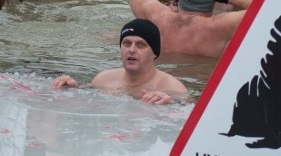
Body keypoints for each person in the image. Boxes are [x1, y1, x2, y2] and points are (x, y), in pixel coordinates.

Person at [52, 19, 188, 105]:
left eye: (141, 45)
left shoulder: (172, 88)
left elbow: (191, 116)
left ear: (154, 53)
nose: (132, 50)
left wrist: (172, 104)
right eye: (127, 43)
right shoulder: (103, 80)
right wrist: (72, 89)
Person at [129, 0, 248, 58]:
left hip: (163, 80)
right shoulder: (219, 25)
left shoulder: (159, 17)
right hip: (200, 84)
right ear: (212, 4)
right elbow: (263, 9)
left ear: (180, 0)